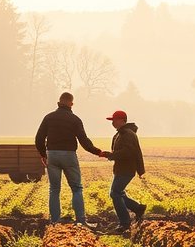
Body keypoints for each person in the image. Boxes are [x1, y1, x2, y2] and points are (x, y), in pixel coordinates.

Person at [35, 92, 104, 227]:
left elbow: (39, 138)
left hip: (52, 155)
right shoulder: (75, 119)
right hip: (69, 155)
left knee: (54, 189)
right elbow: (84, 141)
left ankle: (54, 221)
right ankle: (81, 220)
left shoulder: (48, 118)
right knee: (76, 188)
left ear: (59, 102)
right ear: (71, 103)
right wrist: (98, 152)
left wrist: (43, 154)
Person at [100, 110, 147, 234]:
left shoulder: (127, 134)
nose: (112, 123)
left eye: (114, 120)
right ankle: (138, 208)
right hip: (122, 168)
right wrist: (110, 155)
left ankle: (124, 223)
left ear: (122, 120)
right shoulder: (122, 133)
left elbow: (128, 152)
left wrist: (111, 155)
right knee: (119, 193)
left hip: (127, 169)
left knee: (115, 193)